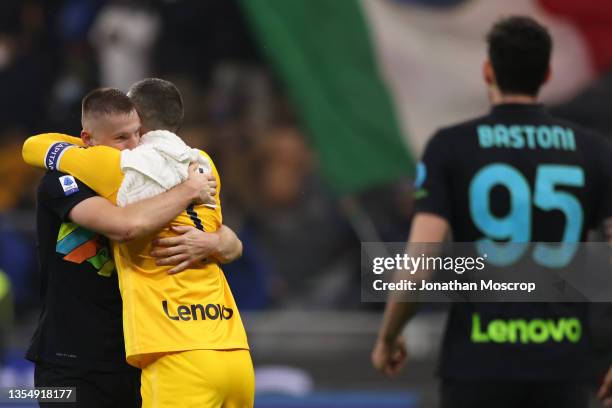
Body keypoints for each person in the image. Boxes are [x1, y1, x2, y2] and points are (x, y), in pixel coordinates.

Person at [371, 16, 612, 408]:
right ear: (547, 74)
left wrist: (389, 334)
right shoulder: (592, 149)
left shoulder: (450, 146)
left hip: (477, 365)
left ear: (488, 71)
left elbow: (422, 258)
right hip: (564, 366)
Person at [23, 80, 254, 408]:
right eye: (121, 137)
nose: (133, 145)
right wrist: (190, 189)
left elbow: (232, 242)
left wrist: (216, 240)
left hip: (134, 355)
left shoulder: (146, 176)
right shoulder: (65, 180)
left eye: (137, 134)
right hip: (68, 361)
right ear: (88, 139)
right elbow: (124, 225)